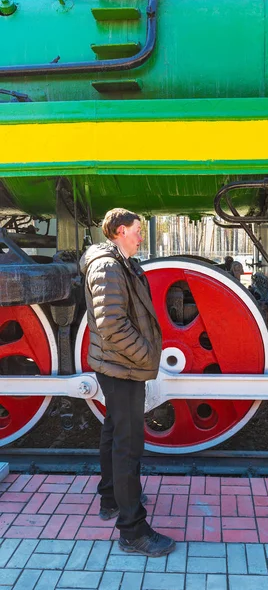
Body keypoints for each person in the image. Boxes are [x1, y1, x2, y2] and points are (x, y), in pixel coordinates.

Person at [80, 208, 176, 557]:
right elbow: (111, 325)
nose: (141, 236)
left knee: (114, 429)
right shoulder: (108, 267)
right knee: (128, 442)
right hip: (123, 366)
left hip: (120, 365)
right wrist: (145, 357)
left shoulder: (121, 262)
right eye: (137, 230)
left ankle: (111, 498)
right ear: (120, 231)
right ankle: (133, 531)